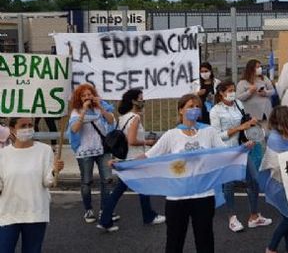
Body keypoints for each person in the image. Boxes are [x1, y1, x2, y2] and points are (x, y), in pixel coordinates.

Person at [142, 94, 227, 253]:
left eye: (197, 106)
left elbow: (225, 152)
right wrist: (123, 163)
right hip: (177, 198)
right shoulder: (171, 135)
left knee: (205, 241)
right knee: (174, 241)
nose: (194, 109)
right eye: (190, 106)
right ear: (181, 110)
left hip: (204, 195)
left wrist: (243, 149)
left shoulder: (209, 132)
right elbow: (148, 157)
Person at [98, 89, 165, 231]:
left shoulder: (123, 117)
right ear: (134, 101)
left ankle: (105, 219)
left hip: (126, 158)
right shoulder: (135, 118)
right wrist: (148, 142)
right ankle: (148, 216)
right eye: (141, 98)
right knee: (142, 188)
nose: (143, 101)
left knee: (121, 190)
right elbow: (132, 140)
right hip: (135, 158)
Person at [209, 80, 271, 233]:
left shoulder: (238, 104)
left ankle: (254, 216)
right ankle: (232, 218)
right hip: (226, 151)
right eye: (229, 90)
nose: (232, 93)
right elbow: (216, 135)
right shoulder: (215, 111)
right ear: (221, 93)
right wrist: (239, 128)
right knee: (228, 184)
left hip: (242, 148)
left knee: (253, 180)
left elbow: (244, 123)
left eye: (233, 90)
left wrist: (249, 125)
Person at [0, 117, 64, 253]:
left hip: (35, 212)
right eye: (23, 126)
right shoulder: (2, 154)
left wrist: (54, 171)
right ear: (12, 129)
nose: (27, 129)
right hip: (8, 212)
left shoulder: (45, 150)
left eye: (30, 125)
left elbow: (48, 181)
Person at [67, 83, 116, 224]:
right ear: (79, 98)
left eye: (89, 94)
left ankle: (104, 210)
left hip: (103, 149)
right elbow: (75, 129)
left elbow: (111, 120)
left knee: (107, 180)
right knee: (87, 181)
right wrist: (83, 111)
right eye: (84, 95)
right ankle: (88, 209)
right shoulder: (76, 112)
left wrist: (100, 107)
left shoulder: (101, 108)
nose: (87, 97)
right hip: (85, 151)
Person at [262, 106, 288, 253]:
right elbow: (287, 160)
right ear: (283, 118)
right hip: (280, 185)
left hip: (287, 185)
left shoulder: (284, 135)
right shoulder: (276, 138)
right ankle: (271, 248)